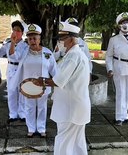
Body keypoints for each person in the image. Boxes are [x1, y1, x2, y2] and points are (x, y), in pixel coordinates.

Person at [35, 21, 90, 154]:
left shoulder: (73, 56)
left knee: (63, 141)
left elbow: (58, 81)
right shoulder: (74, 55)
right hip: (75, 106)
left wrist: (42, 82)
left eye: (61, 39)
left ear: (71, 39)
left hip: (70, 108)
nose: (59, 42)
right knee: (77, 142)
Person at [9, 24, 56, 138]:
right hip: (28, 86)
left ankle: (41, 128)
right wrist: (13, 43)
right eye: (30, 38)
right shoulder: (24, 51)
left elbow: (54, 69)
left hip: (43, 86)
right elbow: (12, 56)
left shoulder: (47, 53)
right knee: (29, 108)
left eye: (35, 38)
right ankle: (30, 128)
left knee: (42, 108)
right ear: (27, 40)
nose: (32, 41)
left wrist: (56, 82)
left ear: (40, 39)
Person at [0, 20, 28, 123]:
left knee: (22, 92)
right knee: (12, 92)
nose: (15, 32)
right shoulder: (8, 44)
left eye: (18, 30)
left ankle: (22, 113)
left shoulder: (26, 46)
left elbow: (14, 56)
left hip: (21, 69)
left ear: (22, 33)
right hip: (11, 69)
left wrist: (13, 43)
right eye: (13, 30)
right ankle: (13, 114)